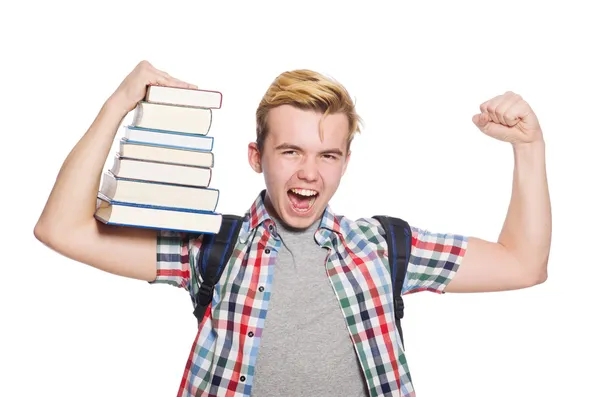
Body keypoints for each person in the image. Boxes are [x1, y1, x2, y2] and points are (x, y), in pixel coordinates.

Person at [34, 60, 552, 397]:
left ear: (346, 162)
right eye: (291, 152)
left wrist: (529, 149)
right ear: (257, 157)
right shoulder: (212, 247)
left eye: (328, 155)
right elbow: (62, 228)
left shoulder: (383, 247)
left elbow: (523, 264)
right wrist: (118, 102)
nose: (310, 173)